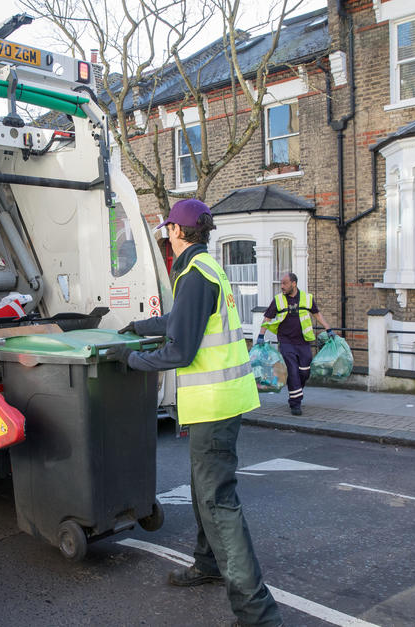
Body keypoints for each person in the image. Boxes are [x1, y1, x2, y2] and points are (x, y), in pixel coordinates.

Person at [107, 198, 282, 627]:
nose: (166, 234)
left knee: (218, 500)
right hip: (222, 401)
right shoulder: (205, 268)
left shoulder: (194, 274)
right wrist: (139, 328)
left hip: (215, 404)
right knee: (202, 487)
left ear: (177, 231)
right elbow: (182, 322)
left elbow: (181, 350)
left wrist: (129, 361)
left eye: (168, 228)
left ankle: (257, 611)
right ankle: (207, 563)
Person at [257, 273, 331, 416]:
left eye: (285, 283)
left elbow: (317, 314)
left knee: (304, 371)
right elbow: (267, 317)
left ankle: (296, 392)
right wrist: (261, 335)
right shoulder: (278, 300)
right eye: (281, 284)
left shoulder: (307, 298)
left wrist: (329, 329)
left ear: (294, 283)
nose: (282, 286)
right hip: (286, 342)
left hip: (303, 341)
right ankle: (295, 403)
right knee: (292, 371)